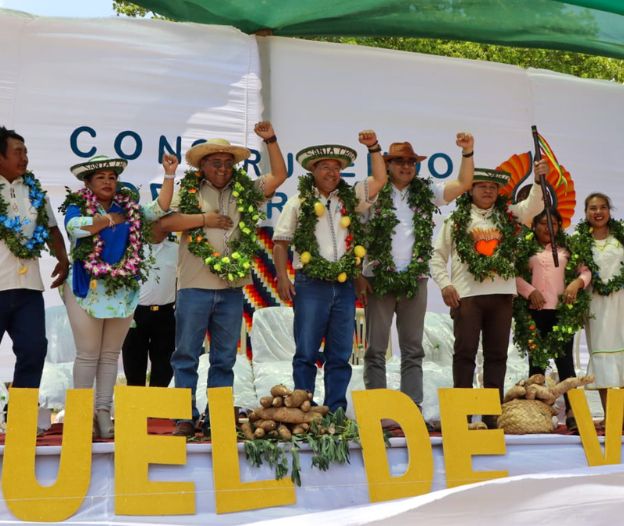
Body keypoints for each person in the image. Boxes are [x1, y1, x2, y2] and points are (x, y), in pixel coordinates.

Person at [160, 121, 287, 437]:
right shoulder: (189, 191)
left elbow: (279, 176)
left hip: (231, 289)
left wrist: (270, 140)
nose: (222, 168)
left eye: (228, 163)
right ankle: (183, 417)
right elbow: (166, 223)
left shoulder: (244, 191)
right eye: (215, 162)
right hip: (193, 286)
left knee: (224, 358)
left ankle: (216, 415)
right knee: (186, 355)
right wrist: (205, 219)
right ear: (202, 166)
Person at [356, 133, 474, 415]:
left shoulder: (425, 190)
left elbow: (464, 184)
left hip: (414, 280)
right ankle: (378, 410)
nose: (407, 167)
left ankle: (411, 409)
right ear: (387, 164)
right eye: (399, 162)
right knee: (375, 350)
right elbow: (353, 233)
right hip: (377, 278)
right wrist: (356, 273)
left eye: (411, 162)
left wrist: (468, 151)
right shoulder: (371, 189)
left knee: (412, 350)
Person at [62, 154, 176, 438]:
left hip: (121, 289)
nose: (108, 182)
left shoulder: (130, 209)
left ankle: (103, 412)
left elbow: (159, 208)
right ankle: (81, 415)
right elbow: (75, 228)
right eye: (100, 177)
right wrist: (110, 219)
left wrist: (169, 175)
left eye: (112, 178)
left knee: (110, 355)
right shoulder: (77, 206)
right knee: (88, 354)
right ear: (87, 183)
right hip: (86, 286)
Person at [273, 131, 387, 413]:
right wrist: (283, 277)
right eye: (326, 167)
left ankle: (335, 409)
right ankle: (304, 409)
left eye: (337, 168)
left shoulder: (351, 198)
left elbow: (380, 180)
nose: (332, 172)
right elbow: (280, 242)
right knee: (307, 352)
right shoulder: (298, 201)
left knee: (340, 353)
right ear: (313, 170)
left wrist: (374, 147)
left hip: (344, 284)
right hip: (310, 284)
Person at [430, 160, 548, 428]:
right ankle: (461, 415)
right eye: (481, 186)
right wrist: (445, 284)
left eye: (492, 187)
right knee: (465, 354)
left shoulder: (508, 216)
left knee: (497, 356)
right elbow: (437, 256)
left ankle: (490, 415)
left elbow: (534, 207)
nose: (487, 191)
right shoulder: (456, 220)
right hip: (467, 296)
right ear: (470, 190)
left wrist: (539, 182)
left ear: (499, 191)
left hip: (502, 296)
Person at [0, 126, 69, 392]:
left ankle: (21, 417)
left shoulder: (34, 189)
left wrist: (62, 260)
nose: (24, 158)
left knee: (34, 349)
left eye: (26, 152)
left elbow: (52, 228)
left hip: (29, 287)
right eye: (18, 152)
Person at [514, 208, 590, 432]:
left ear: (559, 227)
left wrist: (576, 284)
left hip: (561, 315)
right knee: (536, 366)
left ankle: (573, 413)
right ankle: (535, 415)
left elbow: (585, 272)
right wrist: (529, 291)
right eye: (544, 224)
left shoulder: (567, 250)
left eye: (554, 224)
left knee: (566, 365)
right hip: (534, 313)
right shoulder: (525, 250)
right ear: (534, 227)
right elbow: (513, 274)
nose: (549, 228)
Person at [572, 193, 624, 422]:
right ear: (585, 213)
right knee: (603, 356)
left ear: (610, 210)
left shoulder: (621, 236)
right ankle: (612, 416)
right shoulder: (579, 239)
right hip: (596, 305)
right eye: (593, 208)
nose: (598, 212)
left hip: (621, 302)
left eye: (603, 207)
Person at [121, 220, 178, 387]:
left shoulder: (176, 250)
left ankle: (156, 411)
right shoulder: (131, 249)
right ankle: (136, 411)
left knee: (164, 367)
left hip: (165, 314)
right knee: (134, 366)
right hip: (135, 313)